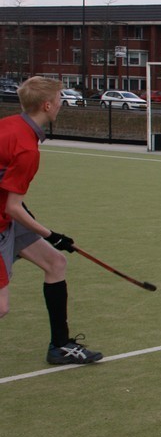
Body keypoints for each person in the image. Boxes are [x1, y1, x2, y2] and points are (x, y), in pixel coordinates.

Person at [0, 76, 103, 364]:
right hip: (5, 218)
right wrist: (51, 235)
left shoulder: (10, 125)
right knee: (1, 306)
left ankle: (60, 346)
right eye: (59, 99)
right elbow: (12, 207)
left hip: (8, 217)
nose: (61, 104)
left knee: (55, 263)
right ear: (47, 105)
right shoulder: (26, 148)